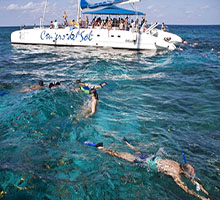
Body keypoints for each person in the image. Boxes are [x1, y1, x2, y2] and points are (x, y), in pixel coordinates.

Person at [83, 138, 210, 200]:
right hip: (144, 162)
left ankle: (128, 143)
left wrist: (203, 190)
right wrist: (201, 198)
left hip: (149, 157)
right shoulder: (175, 174)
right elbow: (186, 189)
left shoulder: (177, 164)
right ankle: (100, 148)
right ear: (185, 174)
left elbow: (192, 179)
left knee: (137, 152)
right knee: (119, 155)